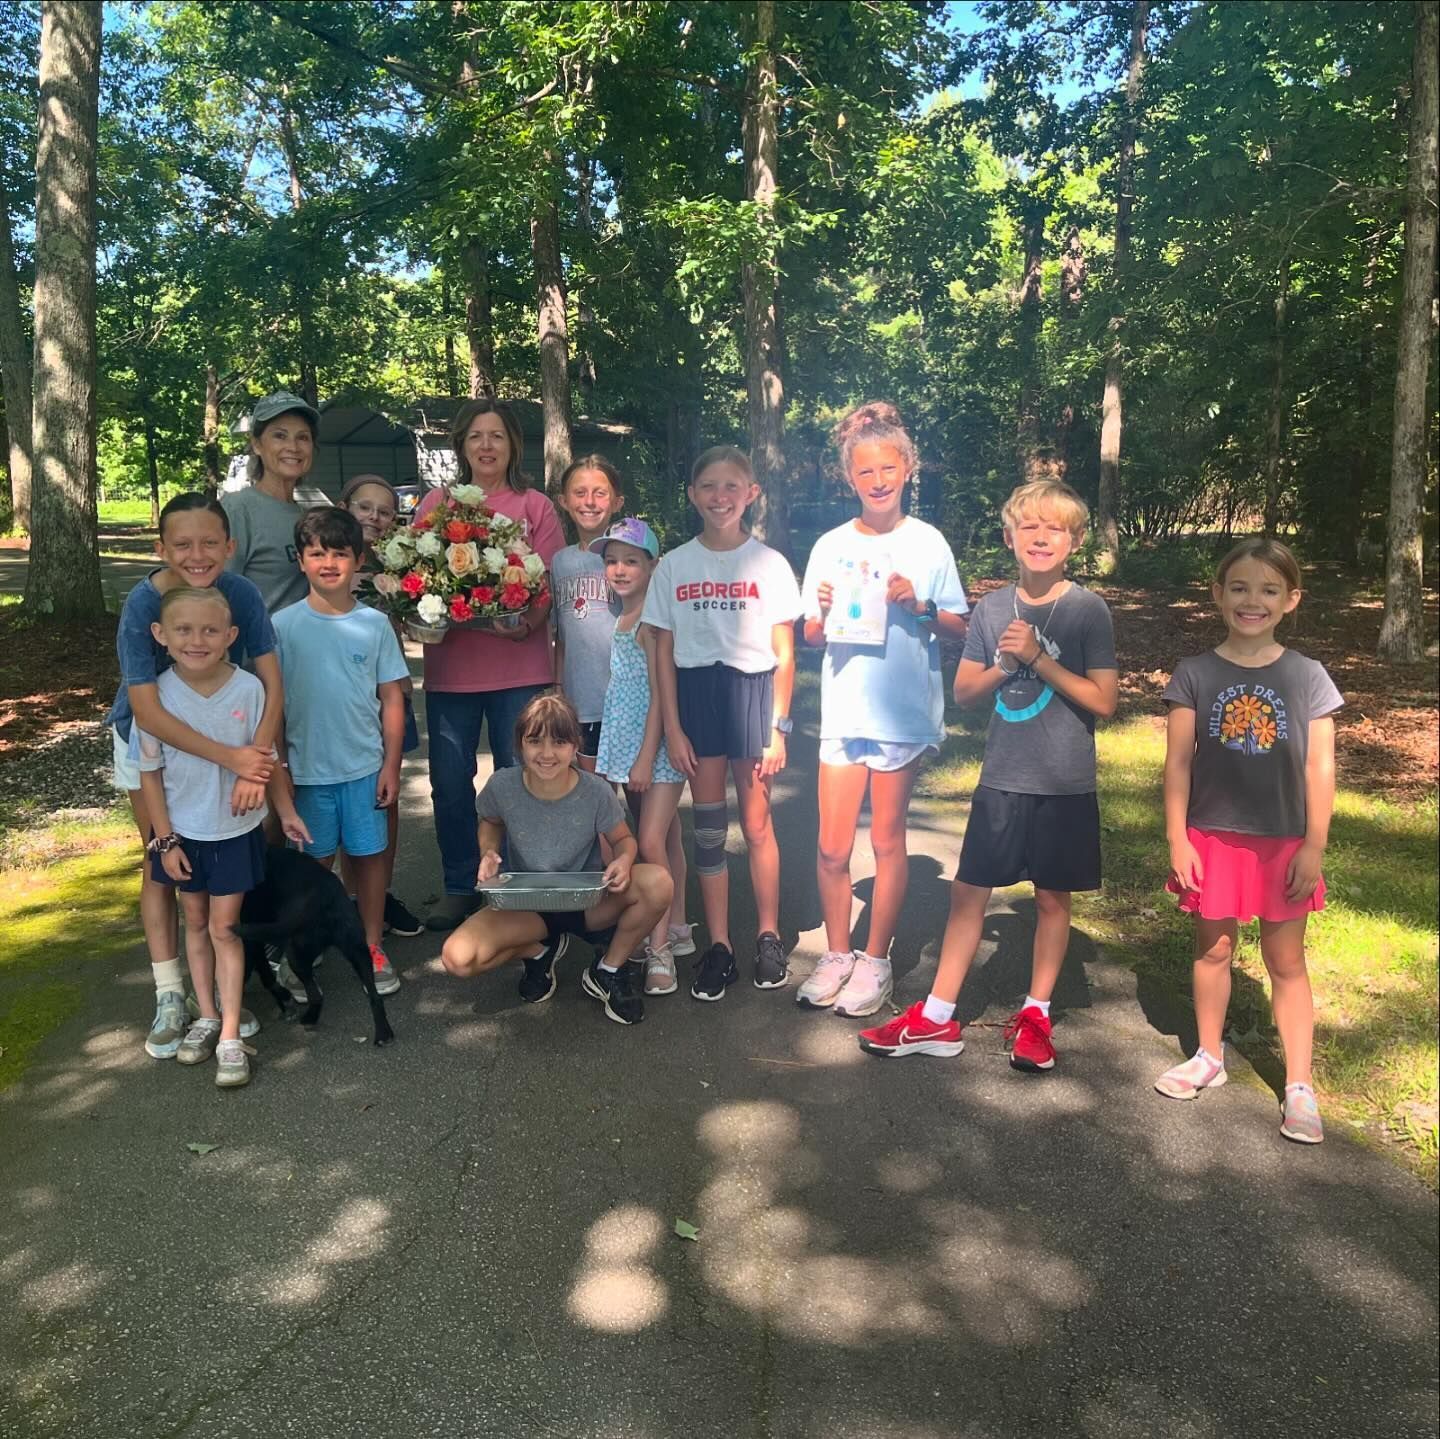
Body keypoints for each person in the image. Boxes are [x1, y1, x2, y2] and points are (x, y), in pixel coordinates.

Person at [858, 479, 1118, 1070]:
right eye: (1029, 527)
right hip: (1002, 776)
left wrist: (1039, 658)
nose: (1041, 538)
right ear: (1009, 538)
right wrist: (1007, 660)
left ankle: (1036, 1015)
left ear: (1074, 541)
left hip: (1063, 783)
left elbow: (1103, 700)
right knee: (969, 894)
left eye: (1055, 528)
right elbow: (966, 691)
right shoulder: (994, 607)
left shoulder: (1085, 610)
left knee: (1053, 900)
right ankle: (938, 1018)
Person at [1154, 538, 1341, 1145]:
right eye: (1239, 587)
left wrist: (1314, 845)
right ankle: (1209, 1056)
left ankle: (1299, 1085)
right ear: (1218, 594)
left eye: (1267, 590)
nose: (1251, 601)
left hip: (1285, 842)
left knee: (1286, 962)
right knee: (1213, 952)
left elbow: (1320, 769)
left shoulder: (1307, 676)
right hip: (1212, 840)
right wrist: (1178, 837)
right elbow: (1178, 763)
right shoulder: (1196, 673)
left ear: (1291, 600)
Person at [797, 403, 969, 1017]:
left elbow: (959, 626)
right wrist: (817, 612)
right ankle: (837, 954)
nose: (877, 480)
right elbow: (812, 638)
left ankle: (876, 962)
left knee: (889, 842)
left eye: (888, 468)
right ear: (850, 477)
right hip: (845, 712)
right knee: (831, 848)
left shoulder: (927, 543)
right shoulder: (829, 546)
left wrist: (918, 605)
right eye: (865, 471)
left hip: (900, 715)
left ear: (907, 468)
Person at [106, 493, 282, 1060]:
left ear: (229, 547)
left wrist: (255, 761)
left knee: (226, 859)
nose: (197, 555)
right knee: (164, 859)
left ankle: (221, 1002)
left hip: (233, 732)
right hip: (153, 744)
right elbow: (148, 712)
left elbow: (271, 684)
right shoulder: (141, 606)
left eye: (210, 543)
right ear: (162, 549)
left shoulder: (241, 595)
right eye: (182, 544)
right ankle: (170, 993)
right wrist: (231, 760)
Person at [643, 446, 803, 1002]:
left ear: (751, 493)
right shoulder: (674, 565)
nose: (720, 496)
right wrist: (674, 728)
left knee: (757, 825)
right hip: (698, 698)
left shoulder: (770, 563)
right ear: (692, 495)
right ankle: (719, 946)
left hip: (753, 696)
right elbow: (662, 650)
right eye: (708, 486)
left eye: (732, 486)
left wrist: (778, 726)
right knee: (709, 831)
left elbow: (785, 650)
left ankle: (766, 935)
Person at [134, 587, 308, 1088]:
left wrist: (285, 809)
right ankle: (205, 1015)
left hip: (234, 833)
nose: (197, 640)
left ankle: (230, 1033)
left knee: (224, 928)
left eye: (210, 630)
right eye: (184, 630)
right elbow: (150, 775)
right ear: (161, 636)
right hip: (182, 835)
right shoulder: (156, 699)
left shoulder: (250, 690)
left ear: (231, 637)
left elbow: (265, 756)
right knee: (193, 920)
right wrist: (165, 842)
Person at [415, 399, 566, 931]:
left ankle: (522, 881)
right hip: (452, 671)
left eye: (496, 436)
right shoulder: (436, 505)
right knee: (449, 783)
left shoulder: (534, 506)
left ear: (512, 445)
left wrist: (527, 622)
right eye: (475, 436)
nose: (486, 446)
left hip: (520, 669)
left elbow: (549, 583)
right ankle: (461, 882)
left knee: (522, 780)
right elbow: (418, 578)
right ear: (460, 446)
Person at [440, 692, 673, 1027]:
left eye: (559, 742)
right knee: (457, 958)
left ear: (575, 745)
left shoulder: (595, 790)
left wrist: (622, 861)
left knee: (659, 882)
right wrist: (489, 851)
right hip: (529, 906)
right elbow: (490, 820)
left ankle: (608, 969)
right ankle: (539, 952)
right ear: (519, 743)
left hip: (589, 901)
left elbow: (623, 839)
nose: (547, 754)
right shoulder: (503, 784)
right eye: (535, 741)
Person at [272, 507, 410, 996]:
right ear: (301, 560)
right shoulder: (282, 626)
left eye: (339, 553)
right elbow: (273, 705)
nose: (328, 563)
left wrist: (392, 764)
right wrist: (281, 768)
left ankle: (371, 944)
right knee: (312, 869)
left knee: (370, 860)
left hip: (364, 770)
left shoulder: (374, 624)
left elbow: (392, 696)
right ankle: (300, 951)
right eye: (317, 553)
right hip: (308, 774)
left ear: (359, 559)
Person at [591, 518, 692, 996]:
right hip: (631, 745)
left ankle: (658, 948)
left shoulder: (652, 622)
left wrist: (646, 756)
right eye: (612, 561)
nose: (620, 569)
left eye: (631, 560)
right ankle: (679, 926)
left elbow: (658, 693)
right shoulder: (622, 616)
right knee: (668, 838)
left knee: (649, 842)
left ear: (653, 566)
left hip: (655, 751)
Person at [336, 474, 424, 938]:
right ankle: (347, 900)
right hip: (340, 701)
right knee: (341, 799)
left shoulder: (398, 565)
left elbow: (414, 623)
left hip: (389, 695)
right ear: (344, 506)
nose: (373, 517)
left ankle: (378, 894)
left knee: (384, 798)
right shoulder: (328, 560)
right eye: (364, 507)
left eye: (384, 511)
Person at [222, 390, 327, 614]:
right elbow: (219, 593)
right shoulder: (237, 509)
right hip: (256, 647)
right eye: (280, 435)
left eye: (303, 437)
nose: (294, 447)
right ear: (257, 445)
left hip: (302, 645)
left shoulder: (309, 518)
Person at [551, 455, 624, 773]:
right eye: (580, 493)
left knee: (642, 794)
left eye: (600, 492)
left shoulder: (630, 558)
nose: (590, 502)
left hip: (627, 699)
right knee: (595, 796)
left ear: (617, 502)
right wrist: (558, 687)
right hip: (582, 702)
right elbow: (562, 636)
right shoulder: (559, 562)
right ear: (563, 501)